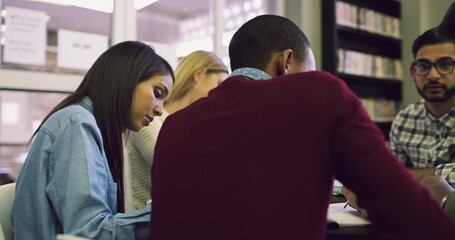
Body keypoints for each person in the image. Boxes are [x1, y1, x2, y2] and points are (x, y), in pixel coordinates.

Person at [149, 14, 455, 239]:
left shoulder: (174, 125)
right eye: (308, 69)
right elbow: (409, 212)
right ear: (287, 61)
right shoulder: (318, 93)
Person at [12, 41, 174, 239]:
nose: (159, 110)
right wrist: (167, 214)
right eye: (157, 93)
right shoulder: (77, 123)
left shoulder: (90, 125)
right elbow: (88, 233)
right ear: (126, 79)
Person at [126, 50, 228, 210]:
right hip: (147, 227)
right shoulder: (150, 119)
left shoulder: (194, 124)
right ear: (199, 73)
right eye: (219, 84)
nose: (220, 94)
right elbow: (176, 167)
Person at [387, 28, 455, 185]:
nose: (433, 75)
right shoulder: (404, 120)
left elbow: (398, 176)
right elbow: (391, 177)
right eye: (424, 66)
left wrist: (420, 175)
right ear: (413, 72)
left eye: (445, 65)